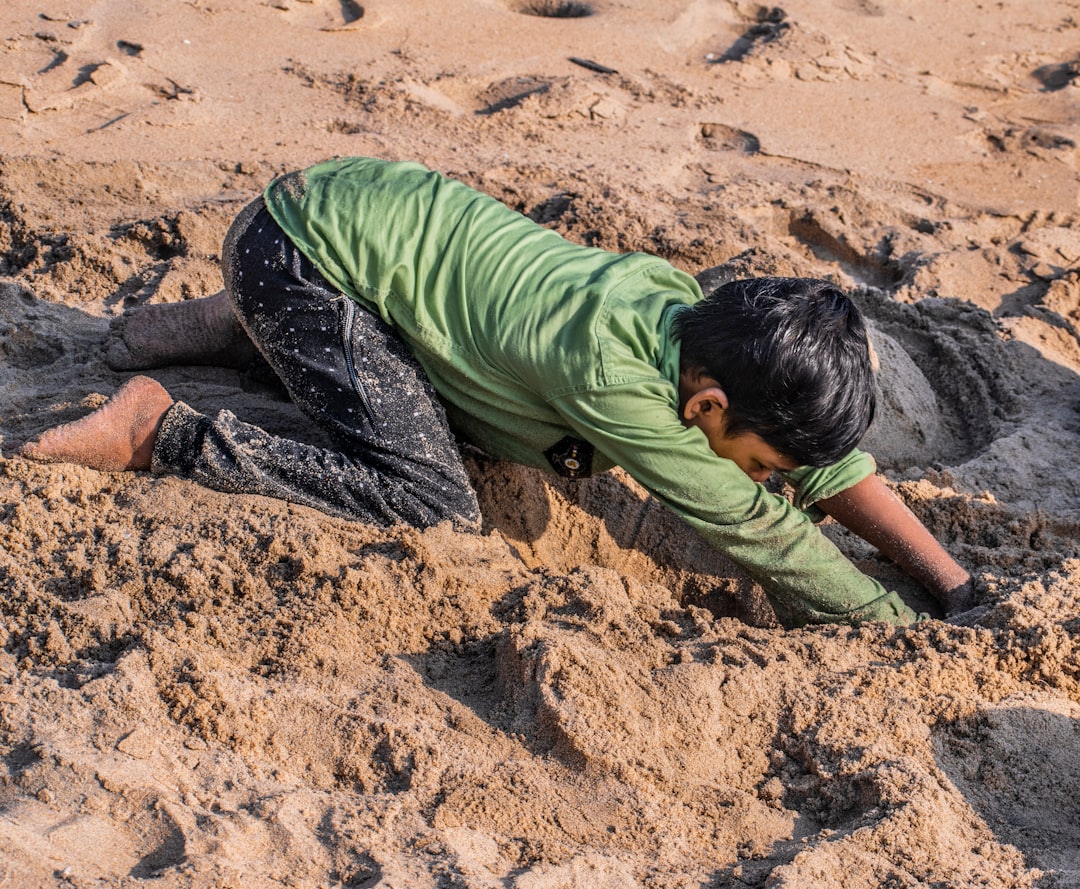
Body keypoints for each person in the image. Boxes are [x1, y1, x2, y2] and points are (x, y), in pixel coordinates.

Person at [17, 156, 974, 626]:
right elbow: (758, 532)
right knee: (431, 498)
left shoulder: (687, 312)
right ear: (706, 409)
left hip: (334, 210)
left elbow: (819, 464)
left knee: (449, 402)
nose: (770, 483)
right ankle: (161, 430)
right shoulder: (616, 378)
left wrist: (950, 582)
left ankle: (243, 323)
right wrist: (881, 622)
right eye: (762, 464)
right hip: (304, 259)